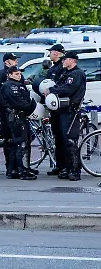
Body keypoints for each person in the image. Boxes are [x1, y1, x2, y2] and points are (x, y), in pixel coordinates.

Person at [49, 51, 88, 181]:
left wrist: (52, 90)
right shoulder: (66, 73)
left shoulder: (77, 74)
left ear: (72, 60)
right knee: (63, 139)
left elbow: (67, 89)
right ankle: (66, 167)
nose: (63, 61)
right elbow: (59, 84)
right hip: (63, 109)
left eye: (65, 59)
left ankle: (75, 170)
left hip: (71, 110)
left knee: (71, 140)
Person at [0, 65, 37, 180]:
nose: (19, 76)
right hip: (16, 116)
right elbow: (19, 102)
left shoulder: (19, 85)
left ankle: (14, 169)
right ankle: (22, 170)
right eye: (16, 74)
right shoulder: (9, 86)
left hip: (21, 116)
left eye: (19, 74)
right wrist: (30, 106)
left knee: (19, 143)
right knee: (21, 144)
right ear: (9, 75)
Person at [43, 44, 68, 177]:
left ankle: (65, 166)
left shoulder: (62, 68)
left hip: (61, 107)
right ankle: (59, 165)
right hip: (53, 106)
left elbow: (61, 86)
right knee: (57, 137)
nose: (50, 54)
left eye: (51, 52)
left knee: (63, 137)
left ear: (57, 53)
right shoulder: (52, 68)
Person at [0, 53, 20, 178]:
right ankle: (10, 166)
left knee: (18, 140)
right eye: (14, 60)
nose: (16, 62)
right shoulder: (1, 75)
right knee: (9, 139)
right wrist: (5, 108)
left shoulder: (17, 74)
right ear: (7, 62)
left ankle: (19, 165)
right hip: (7, 113)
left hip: (18, 112)